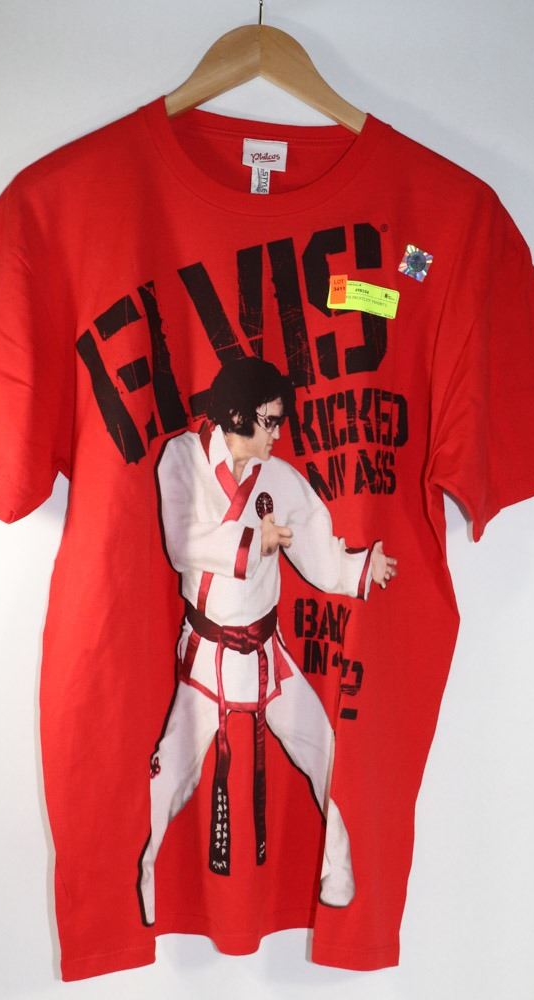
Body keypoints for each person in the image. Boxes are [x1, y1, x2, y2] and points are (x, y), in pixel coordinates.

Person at [138, 357, 397, 924]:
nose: (279, 433)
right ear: (238, 414)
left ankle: (338, 868)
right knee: (172, 770)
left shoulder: (279, 480)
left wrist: (359, 569)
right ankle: (152, 880)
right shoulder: (181, 458)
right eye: (271, 421)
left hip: (265, 652)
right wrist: (254, 542)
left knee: (324, 748)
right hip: (207, 655)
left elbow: (319, 554)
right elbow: (182, 544)